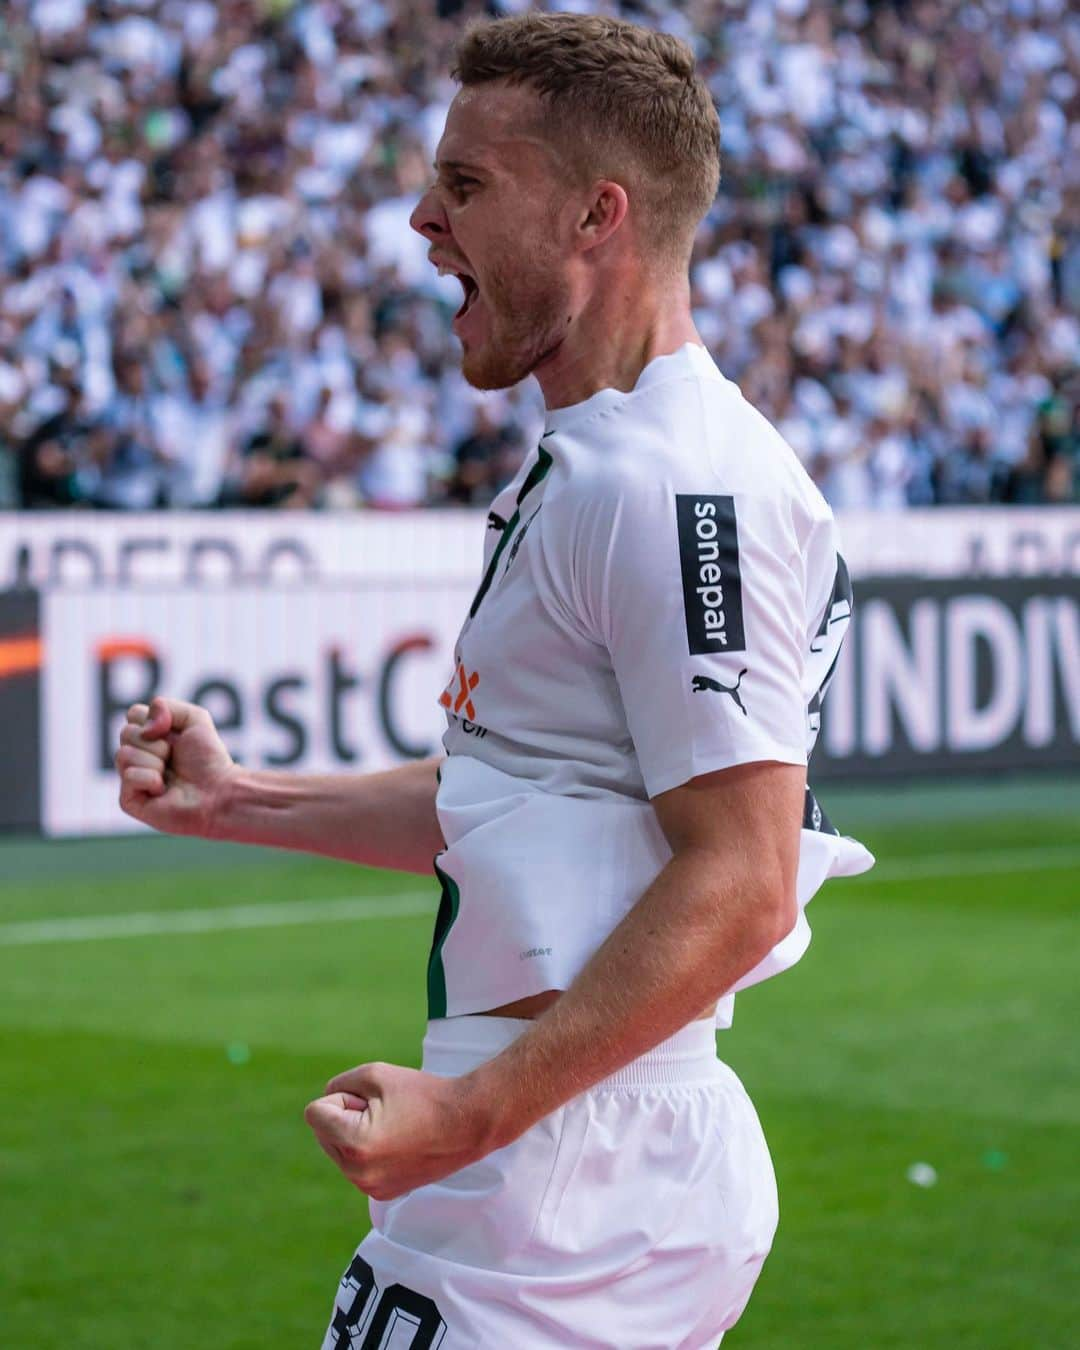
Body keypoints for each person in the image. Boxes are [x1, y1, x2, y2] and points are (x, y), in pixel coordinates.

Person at [115, 13, 873, 1346]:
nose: (420, 218)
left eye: (465, 185)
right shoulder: (597, 457)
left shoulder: (678, 483)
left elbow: (744, 878)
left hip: (575, 1159)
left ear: (597, 216)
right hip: (566, 1144)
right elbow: (525, 800)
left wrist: (469, 1113)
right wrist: (243, 800)